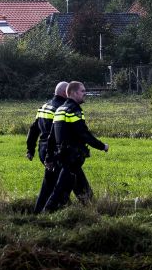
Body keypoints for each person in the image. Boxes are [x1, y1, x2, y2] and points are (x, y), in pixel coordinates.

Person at [42, 81, 109, 213]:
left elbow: (52, 137)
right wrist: (102, 146)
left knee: (82, 188)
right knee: (60, 189)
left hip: (64, 156)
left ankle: (91, 210)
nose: (85, 94)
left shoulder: (60, 109)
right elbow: (83, 134)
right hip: (72, 157)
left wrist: (49, 158)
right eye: (82, 91)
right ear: (73, 93)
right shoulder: (74, 110)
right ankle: (47, 213)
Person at [26, 81, 68, 214]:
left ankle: (50, 210)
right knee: (51, 185)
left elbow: (33, 129)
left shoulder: (44, 106)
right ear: (64, 93)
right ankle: (44, 212)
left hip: (43, 149)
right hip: (54, 151)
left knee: (58, 182)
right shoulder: (61, 108)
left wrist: (30, 149)